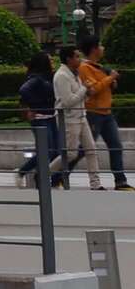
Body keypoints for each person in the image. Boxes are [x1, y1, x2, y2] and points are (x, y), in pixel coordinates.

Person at [75, 40, 128, 190]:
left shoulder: (100, 67)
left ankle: (120, 181)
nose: (103, 48)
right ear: (94, 49)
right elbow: (93, 90)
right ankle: (59, 175)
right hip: (93, 113)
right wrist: (110, 78)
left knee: (116, 146)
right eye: (100, 46)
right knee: (83, 149)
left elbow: (104, 86)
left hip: (107, 112)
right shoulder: (84, 68)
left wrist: (111, 81)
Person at [53, 46, 99, 191]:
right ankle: (44, 173)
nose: (80, 59)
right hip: (69, 119)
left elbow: (78, 96)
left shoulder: (75, 73)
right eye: (77, 57)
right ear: (69, 59)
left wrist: (86, 92)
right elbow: (67, 101)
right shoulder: (62, 76)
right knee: (71, 153)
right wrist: (84, 89)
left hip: (81, 116)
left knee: (91, 150)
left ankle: (95, 184)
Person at [20, 52, 63, 189]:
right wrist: (37, 105)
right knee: (47, 151)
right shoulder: (37, 78)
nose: (52, 62)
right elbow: (24, 90)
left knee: (56, 151)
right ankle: (25, 172)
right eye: (50, 60)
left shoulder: (48, 77)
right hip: (40, 118)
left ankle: (44, 177)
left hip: (50, 117)